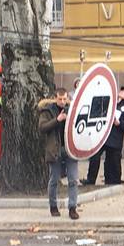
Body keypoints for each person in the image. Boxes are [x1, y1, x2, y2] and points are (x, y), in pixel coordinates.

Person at [38, 88, 79, 219]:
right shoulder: (48, 110)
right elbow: (42, 127)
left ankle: (72, 207)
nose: (62, 102)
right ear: (55, 98)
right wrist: (58, 119)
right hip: (54, 149)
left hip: (69, 149)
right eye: (60, 99)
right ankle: (53, 206)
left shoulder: (71, 109)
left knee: (73, 179)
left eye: (64, 99)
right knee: (54, 179)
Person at [101, 87, 124, 185]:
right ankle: (107, 179)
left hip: (116, 138)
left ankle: (116, 180)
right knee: (107, 160)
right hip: (106, 137)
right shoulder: (111, 103)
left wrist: (119, 123)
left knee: (115, 159)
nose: (121, 92)